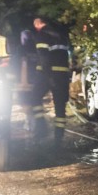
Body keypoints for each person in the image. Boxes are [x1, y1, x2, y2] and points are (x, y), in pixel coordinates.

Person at [31, 17, 72, 145]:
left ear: (38, 24)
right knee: (60, 107)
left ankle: (40, 126)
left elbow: (43, 56)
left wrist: (47, 75)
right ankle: (58, 138)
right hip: (62, 75)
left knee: (34, 97)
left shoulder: (41, 35)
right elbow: (69, 56)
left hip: (47, 74)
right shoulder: (62, 36)